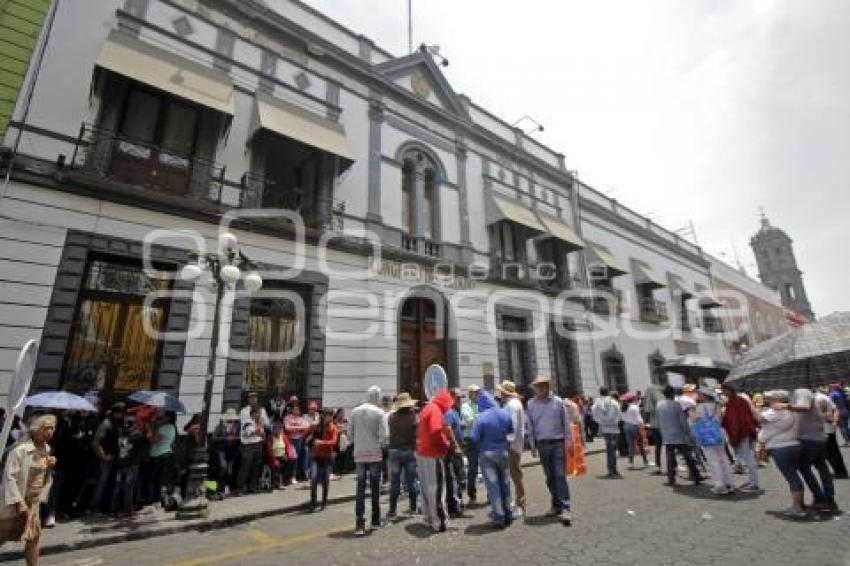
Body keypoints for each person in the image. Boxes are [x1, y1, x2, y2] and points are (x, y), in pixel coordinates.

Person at [0, 415, 57, 566]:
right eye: (46, 428)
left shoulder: (46, 449)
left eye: (52, 428)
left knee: (33, 539)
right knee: (3, 535)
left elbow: (43, 478)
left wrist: (48, 467)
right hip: (15, 504)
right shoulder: (20, 450)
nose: (50, 432)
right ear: (35, 429)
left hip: (33, 504)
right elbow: (9, 478)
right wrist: (19, 503)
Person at [527, 376, 572, 522]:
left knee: (560, 475)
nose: (541, 389)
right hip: (542, 445)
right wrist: (532, 444)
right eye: (538, 386)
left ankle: (565, 507)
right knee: (550, 477)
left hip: (558, 443)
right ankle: (556, 505)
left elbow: (565, 423)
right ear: (535, 388)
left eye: (543, 386)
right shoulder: (531, 404)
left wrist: (569, 442)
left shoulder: (558, 402)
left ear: (548, 386)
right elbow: (531, 425)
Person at [758, 390, 805, 517]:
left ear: (779, 400)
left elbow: (760, 419)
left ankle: (797, 508)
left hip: (781, 448)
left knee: (791, 477)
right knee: (793, 475)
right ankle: (800, 503)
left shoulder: (777, 411)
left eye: (772, 398)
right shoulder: (793, 411)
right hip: (793, 446)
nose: (769, 400)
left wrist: (759, 410)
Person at [349, 385, 389, 536]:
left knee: (360, 488)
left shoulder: (355, 411)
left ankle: (359, 524)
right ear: (377, 397)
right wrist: (380, 445)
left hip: (359, 454)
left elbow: (350, 433)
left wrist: (357, 444)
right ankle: (375, 520)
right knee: (375, 488)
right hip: (374, 454)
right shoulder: (380, 413)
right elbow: (385, 436)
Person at [471, 391, 514, 528]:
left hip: (487, 454)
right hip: (503, 452)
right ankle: (508, 512)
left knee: (493, 486)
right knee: (505, 483)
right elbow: (510, 431)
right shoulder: (504, 413)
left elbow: (474, 437)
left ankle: (498, 516)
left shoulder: (481, 417)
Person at [792, 389, 838, 512]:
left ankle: (820, 498)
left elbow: (804, 407)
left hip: (810, 440)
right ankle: (829, 500)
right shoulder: (808, 394)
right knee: (822, 468)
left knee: (803, 467)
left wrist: (785, 406)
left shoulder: (801, 391)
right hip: (818, 438)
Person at [416, 388, 454, 533]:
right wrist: (445, 444)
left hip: (422, 452)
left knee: (426, 487)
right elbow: (435, 431)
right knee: (436, 488)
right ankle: (440, 521)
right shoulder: (436, 410)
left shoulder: (427, 408)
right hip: (433, 453)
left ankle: (428, 518)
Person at [690, 388, 734, 495]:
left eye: (699, 394)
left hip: (706, 437)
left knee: (713, 461)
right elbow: (721, 419)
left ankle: (720, 485)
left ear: (704, 396)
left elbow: (693, 420)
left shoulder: (697, 408)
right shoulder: (717, 406)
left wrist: (692, 412)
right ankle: (729, 483)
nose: (697, 395)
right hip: (718, 434)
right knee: (723, 458)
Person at [656, 386, 702, 487]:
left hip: (667, 435)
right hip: (679, 434)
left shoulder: (659, 405)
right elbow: (683, 422)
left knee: (670, 458)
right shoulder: (676, 405)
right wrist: (689, 434)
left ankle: (671, 479)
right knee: (688, 457)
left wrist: (662, 432)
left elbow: (658, 420)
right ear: (672, 394)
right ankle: (696, 476)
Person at [720, 383, 760, 492]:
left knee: (748, 458)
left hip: (742, 433)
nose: (722, 393)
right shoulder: (736, 401)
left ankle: (754, 483)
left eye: (723, 390)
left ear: (729, 390)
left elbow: (735, 421)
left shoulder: (736, 401)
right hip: (745, 431)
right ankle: (753, 481)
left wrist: (735, 435)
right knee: (748, 457)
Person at [387, 393, 419, 519]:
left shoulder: (392, 417)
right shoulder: (413, 417)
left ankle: (392, 510)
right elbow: (417, 434)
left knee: (395, 481)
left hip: (394, 451)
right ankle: (413, 507)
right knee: (411, 480)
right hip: (409, 451)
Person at [89, 403, 125, 514]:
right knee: (102, 482)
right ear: (116, 412)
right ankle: (94, 507)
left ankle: (106, 507)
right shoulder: (106, 424)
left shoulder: (116, 424)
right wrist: (103, 456)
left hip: (115, 458)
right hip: (106, 460)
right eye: (121, 413)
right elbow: (95, 443)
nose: (123, 415)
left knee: (111, 483)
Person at [498, 380, 526, 515]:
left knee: (515, 474)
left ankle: (520, 503)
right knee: (515, 473)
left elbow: (512, 426)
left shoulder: (512, 405)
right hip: (513, 444)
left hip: (512, 445)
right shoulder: (512, 404)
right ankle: (519, 500)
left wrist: (507, 441)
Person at [309, 408, 339, 512]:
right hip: (316, 456)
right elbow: (308, 435)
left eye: (331, 416)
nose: (330, 417)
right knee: (313, 479)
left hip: (327, 457)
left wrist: (322, 442)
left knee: (325, 481)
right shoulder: (317, 426)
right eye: (328, 415)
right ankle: (313, 503)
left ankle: (324, 502)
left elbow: (334, 441)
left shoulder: (334, 427)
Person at [145, 411, 176, 508]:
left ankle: (151, 500)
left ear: (168, 418)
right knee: (160, 479)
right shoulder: (173, 428)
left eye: (163, 417)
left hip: (157, 455)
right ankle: (157, 499)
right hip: (166, 453)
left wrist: (149, 431)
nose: (162, 419)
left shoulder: (163, 428)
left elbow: (154, 441)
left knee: (152, 479)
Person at [237, 398, 268, 495]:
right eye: (258, 413)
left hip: (257, 445)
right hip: (248, 446)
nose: (259, 415)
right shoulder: (248, 422)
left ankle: (252, 487)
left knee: (255, 467)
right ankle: (240, 488)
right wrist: (259, 428)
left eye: (260, 413)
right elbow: (250, 433)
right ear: (253, 414)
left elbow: (262, 434)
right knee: (245, 467)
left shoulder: (258, 422)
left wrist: (261, 433)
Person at [442, 389, 465, 517]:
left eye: (461, 398)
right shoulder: (450, 412)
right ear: (451, 398)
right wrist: (455, 445)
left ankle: (457, 503)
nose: (460, 401)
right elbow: (448, 428)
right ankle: (454, 506)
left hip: (457, 449)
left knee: (458, 477)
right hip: (452, 451)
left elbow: (454, 427)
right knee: (454, 478)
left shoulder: (456, 412)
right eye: (457, 398)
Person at [816, 388, 848, 478]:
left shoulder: (819, 399)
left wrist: (832, 421)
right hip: (829, 428)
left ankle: (840, 472)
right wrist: (834, 422)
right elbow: (835, 410)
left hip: (825, 429)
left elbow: (824, 413)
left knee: (830, 453)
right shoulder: (824, 397)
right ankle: (841, 471)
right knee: (833, 452)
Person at [592, 387, 622, 478]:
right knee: (613, 451)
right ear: (608, 392)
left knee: (610, 451)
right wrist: (615, 422)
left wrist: (601, 422)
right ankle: (614, 471)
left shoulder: (597, 403)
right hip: (614, 429)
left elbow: (595, 415)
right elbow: (619, 414)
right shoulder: (614, 402)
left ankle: (611, 471)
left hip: (605, 429)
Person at [212, 409, 240, 496]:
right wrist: (226, 439)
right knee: (223, 467)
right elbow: (214, 437)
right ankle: (219, 486)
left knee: (229, 470)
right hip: (222, 449)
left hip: (232, 450)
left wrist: (234, 439)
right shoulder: (220, 426)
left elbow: (240, 437)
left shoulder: (237, 425)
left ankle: (226, 486)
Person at [460, 385, 480, 504]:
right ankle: (472, 494)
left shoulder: (481, 405)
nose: (478, 394)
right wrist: (480, 418)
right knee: (473, 467)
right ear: (470, 394)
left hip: (482, 438)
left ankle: (490, 494)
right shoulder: (465, 406)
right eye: (476, 393)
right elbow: (469, 421)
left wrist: (477, 418)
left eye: (478, 392)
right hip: (470, 439)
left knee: (485, 466)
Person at [284, 398, 310, 483]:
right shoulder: (287, 417)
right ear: (291, 410)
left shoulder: (301, 418)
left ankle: (295, 476)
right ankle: (289, 476)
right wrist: (298, 428)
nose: (297, 410)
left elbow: (306, 427)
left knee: (297, 459)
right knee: (291, 458)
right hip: (289, 440)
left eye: (298, 409)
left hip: (299, 440)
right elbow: (287, 428)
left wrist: (295, 428)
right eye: (295, 409)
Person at [621, 393, 648, 469]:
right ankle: (645, 461)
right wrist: (642, 425)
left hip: (626, 426)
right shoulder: (635, 407)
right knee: (640, 444)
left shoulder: (623, 407)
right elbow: (639, 419)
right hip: (634, 426)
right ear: (633, 399)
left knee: (630, 445)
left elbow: (622, 418)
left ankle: (631, 463)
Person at [642, 384, 664, 471]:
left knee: (658, 447)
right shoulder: (659, 398)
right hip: (661, 425)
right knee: (670, 446)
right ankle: (673, 465)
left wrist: (646, 423)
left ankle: (658, 465)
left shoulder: (648, 402)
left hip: (654, 425)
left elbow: (646, 413)